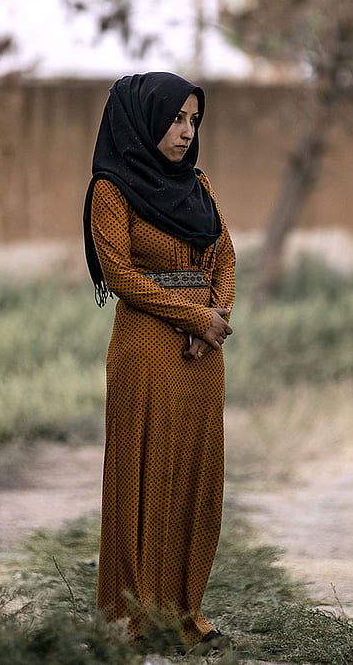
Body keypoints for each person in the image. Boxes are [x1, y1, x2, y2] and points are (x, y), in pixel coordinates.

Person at [82, 71, 236, 654]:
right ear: (146, 120)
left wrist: (216, 317)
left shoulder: (200, 186)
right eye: (176, 119)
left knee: (196, 477)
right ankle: (132, 620)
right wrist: (193, 318)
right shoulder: (111, 189)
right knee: (141, 475)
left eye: (194, 120)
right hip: (147, 347)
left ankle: (186, 613)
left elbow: (225, 254)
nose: (186, 131)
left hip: (202, 356)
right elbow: (119, 275)